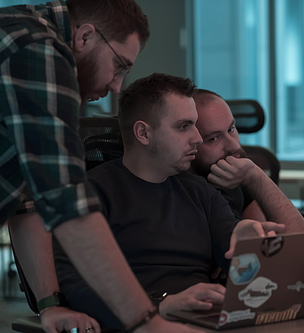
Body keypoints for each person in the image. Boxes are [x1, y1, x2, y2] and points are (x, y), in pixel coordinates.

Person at [1, 1, 196, 332]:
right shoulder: (38, 48)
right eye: (119, 65)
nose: (117, 85)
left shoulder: (22, 35)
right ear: (85, 37)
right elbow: (67, 202)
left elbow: (28, 199)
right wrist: (147, 322)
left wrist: (49, 304)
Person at [53, 73, 286, 330]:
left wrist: (245, 241)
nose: (197, 137)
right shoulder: (91, 193)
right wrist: (157, 306)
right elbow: (74, 286)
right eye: (184, 126)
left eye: (195, 125)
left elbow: (232, 251)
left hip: (203, 319)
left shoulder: (200, 191)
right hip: (139, 323)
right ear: (143, 133)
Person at [191, 89, 304, 233]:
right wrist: (255, 176)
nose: (233, 146)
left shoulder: (234, 173)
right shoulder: (191, 195)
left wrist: (254, 176)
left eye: (231, 129)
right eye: (213, 138)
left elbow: (295, 241)